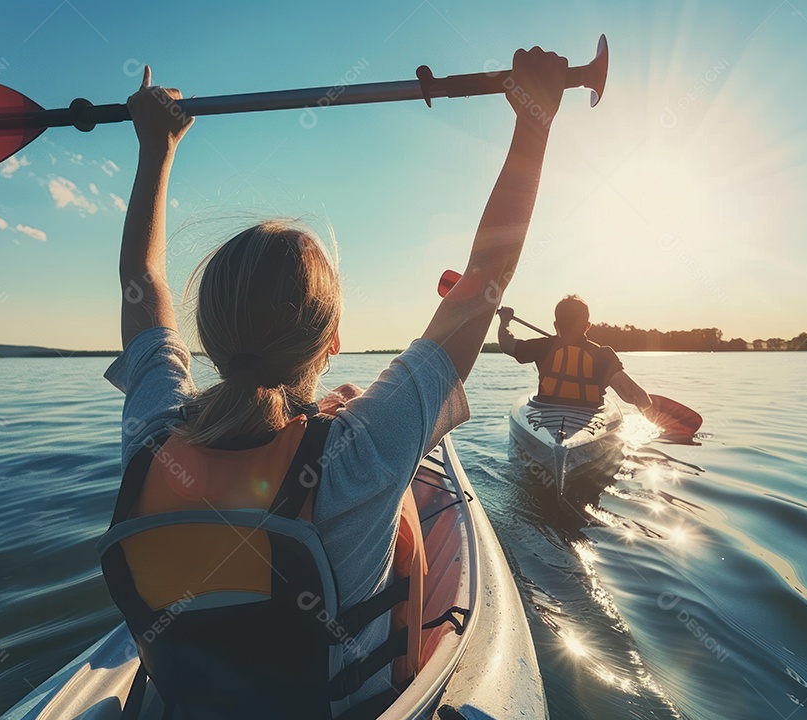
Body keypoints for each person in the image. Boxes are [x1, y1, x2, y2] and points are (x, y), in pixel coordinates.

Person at [100, 47, 569, 720]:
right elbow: (486, 275)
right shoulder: (360, 453)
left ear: (211, 338)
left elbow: (142, 287)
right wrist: (536, 119)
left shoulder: (152, 434)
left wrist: (155, 149)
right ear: (333, 343)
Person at [497, 295, 652, 411]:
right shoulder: (603, 355)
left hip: (547, 414)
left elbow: (506, 344)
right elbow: (637, 397)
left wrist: (505, 321)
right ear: (588, 326)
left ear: (556, 325)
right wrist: (649, 408)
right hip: (588, 419)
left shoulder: (543, 346)